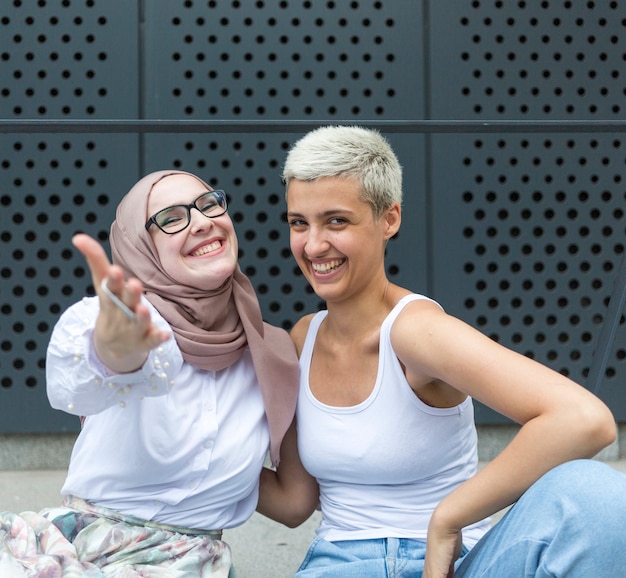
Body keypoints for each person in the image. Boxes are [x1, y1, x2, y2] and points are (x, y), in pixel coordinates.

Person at [257, 125, 626, 578]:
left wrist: (448, 519)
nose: (313, 245)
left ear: (388, 219)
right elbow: (295, 501)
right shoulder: (303, 338)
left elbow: (584, 419)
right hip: (340, 565)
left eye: (337, 221)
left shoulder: (415, 331)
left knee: (593, 495)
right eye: (300, 223)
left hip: (454, 565)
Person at [0, 170, 299, 577]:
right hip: (78, 549)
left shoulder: (273, 354)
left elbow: (294, 503)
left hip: (189, 564)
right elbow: (85, 380)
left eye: (209, 204)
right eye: (172, 218)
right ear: (142, 250)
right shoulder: (131, 323)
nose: (202, 221)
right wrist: (114, 352)